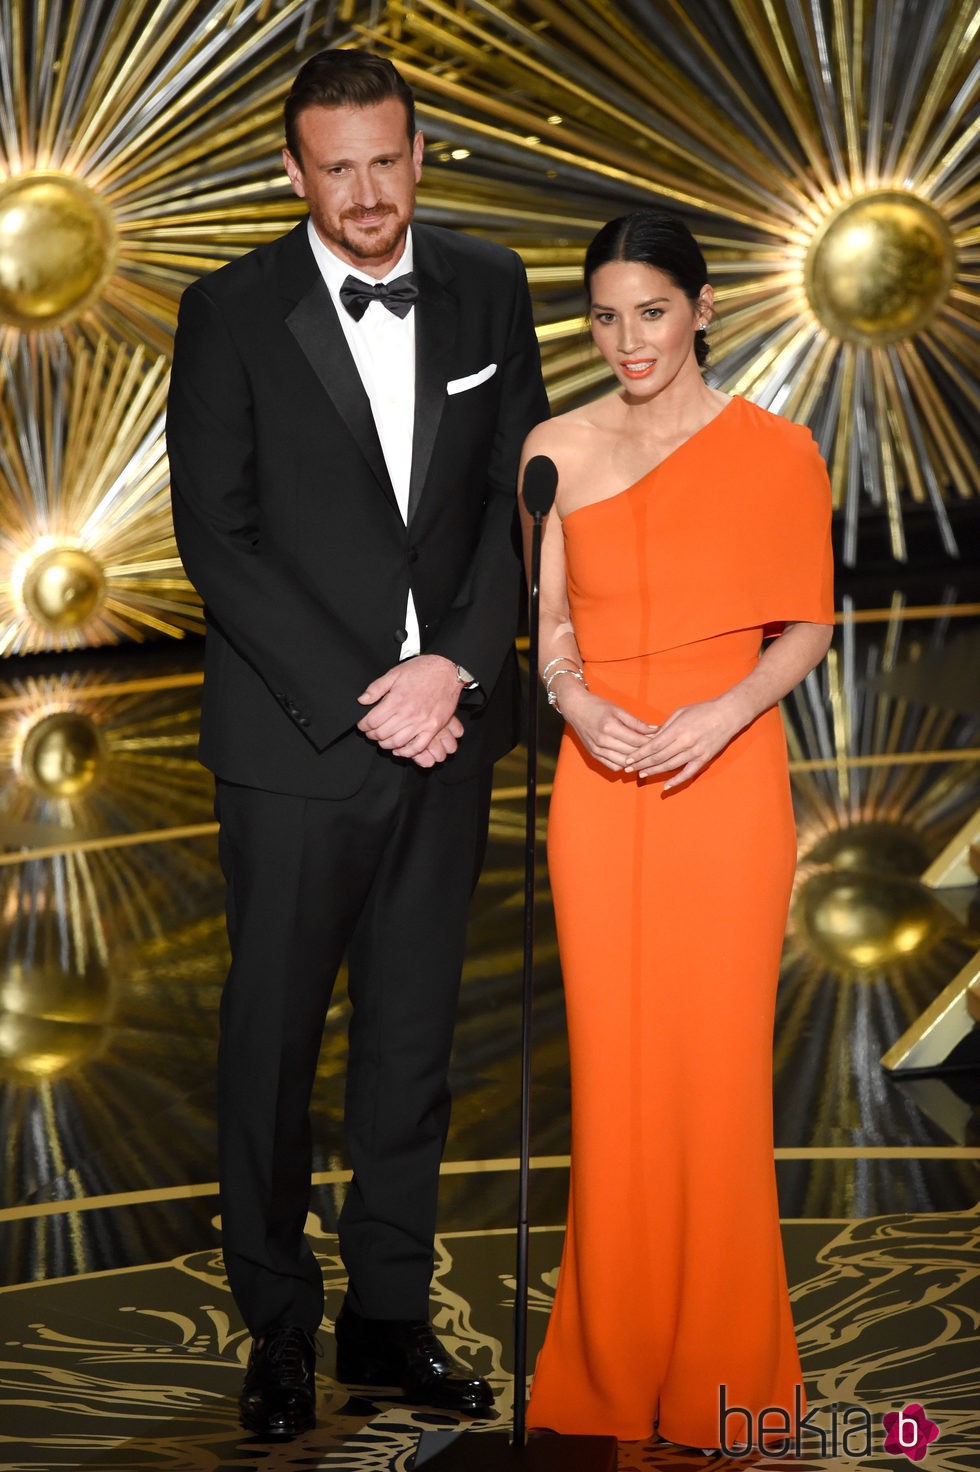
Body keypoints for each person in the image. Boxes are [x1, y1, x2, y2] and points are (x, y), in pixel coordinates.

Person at [166, 48, 547, 1441]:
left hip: (446, 730)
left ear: (420, 148)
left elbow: (526, 504)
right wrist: (366, 691)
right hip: (295, 743)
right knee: (269, 1048)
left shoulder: (491, 286)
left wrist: (452, 666)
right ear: (293, 172)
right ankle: (276, 1326)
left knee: (411, 1044)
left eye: (389, 159)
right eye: (340, 168)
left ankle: (389, 1315)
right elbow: (220, 537)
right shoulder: (226, 312)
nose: (369, 191)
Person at [518, 209, 834, 1452]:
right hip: (596, 793)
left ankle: (723, 1372)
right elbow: (549, 624)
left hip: (726, 783)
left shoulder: (775, 449)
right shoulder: (553, 449)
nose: (626, 338)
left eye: (651, 311)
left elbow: (802, 626)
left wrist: (721, 711)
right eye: (605, 315)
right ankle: (606, 1367)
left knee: (710, 1082)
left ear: (701, 309)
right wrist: (574, 697)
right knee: (614, 1085)